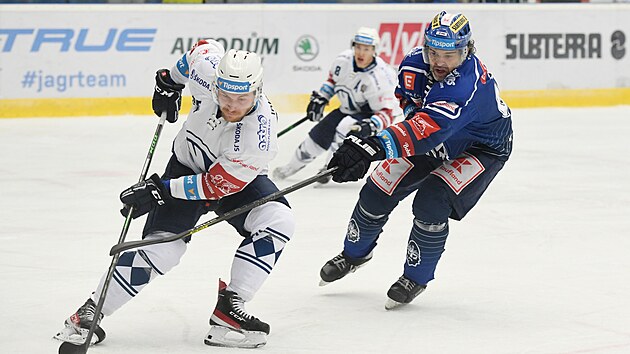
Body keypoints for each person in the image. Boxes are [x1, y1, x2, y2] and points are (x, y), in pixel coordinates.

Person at [53, 41, 295, 348]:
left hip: (233, 181)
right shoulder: (208, 70)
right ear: (216, 84)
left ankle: (230, 308)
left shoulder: (258, 138)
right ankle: (90, 311)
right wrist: (170, 80)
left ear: (257, 92)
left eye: (242, 98)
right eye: (225, 96)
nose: (232, 105)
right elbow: (201, 49)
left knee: (278, 220)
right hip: (185, 166)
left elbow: (214, 187)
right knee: (163, 251)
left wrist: (160, 190)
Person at [319, 11, 513, 310]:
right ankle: (354, 254)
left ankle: (416, 277)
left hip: (480, 148)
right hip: (435, 138)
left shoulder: (465, 85)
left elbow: (429, 130)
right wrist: (388, 141)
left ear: (466, 50)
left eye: (449, 55)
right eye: (433, 51)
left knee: (431, 201)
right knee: (378, 187)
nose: (439, 62)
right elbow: (410, 105)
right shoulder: (413, 63)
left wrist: (372, 147)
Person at [272, 27, 400, 184]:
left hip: (367, 115)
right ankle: (289, 168)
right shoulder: (343, 61)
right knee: (316, 138)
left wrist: (372, 124)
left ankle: (329, 166)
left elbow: (388, 111)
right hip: (346, 109)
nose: (361, 53)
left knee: (345, 126)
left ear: (374, 50)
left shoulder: (380, 77)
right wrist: (321, 98)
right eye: (358, 47)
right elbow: (332, 81)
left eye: (366, 49)